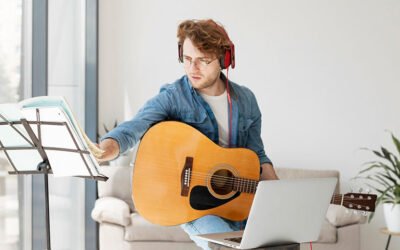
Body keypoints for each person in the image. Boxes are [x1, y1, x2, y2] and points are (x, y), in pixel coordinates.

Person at [96, 19, 279, 250]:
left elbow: (258, 155)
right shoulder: (174, 96)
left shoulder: (247, 101)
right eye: (188, 59)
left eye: (203, 61)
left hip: (238, 202)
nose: (193, 69)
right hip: (194, 207)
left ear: (224, 60)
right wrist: (108, 147)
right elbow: (135, 126)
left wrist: (278, 197)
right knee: (226, 247)